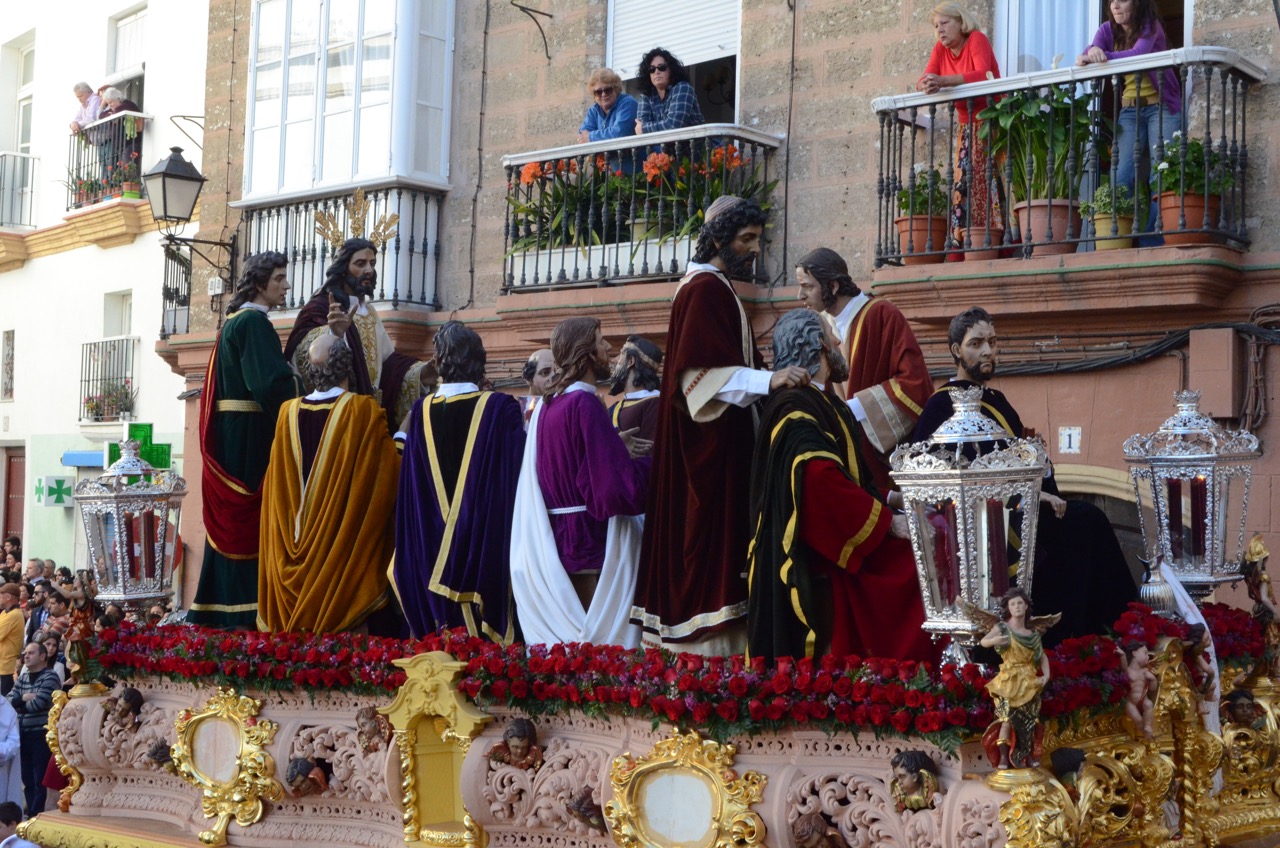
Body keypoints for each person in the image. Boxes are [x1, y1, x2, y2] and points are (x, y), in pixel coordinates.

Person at [632, 196, 811, 655]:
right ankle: (712, 658)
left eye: (757, 239)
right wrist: (769, 379)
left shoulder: (714, 286)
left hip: (720, 445)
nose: (754, 249)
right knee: (710, 550)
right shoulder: (704, 289)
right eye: (745, 239)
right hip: (708, 455)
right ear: (717, 239)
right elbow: (699, 379)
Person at [913, 307, 1138, 644]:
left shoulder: (997, 400)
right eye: (976, 343)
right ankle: (1077, 635)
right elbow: (938, 473)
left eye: (992, 341)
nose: (988, 351)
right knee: (1084, 522)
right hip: (984, 523)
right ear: (956, 350)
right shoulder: (941, 406)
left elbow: (1021, 457)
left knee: (1088, 522)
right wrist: (1030, 496)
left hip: (1021, 511)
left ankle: (1113, 631)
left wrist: (1041, 485)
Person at [746, 309, 934, 663]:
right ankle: (902, 678)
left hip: (844, 531)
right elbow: (817, 481)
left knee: (929, 542)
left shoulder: (827, 403)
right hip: (819, 548)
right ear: (818, 345)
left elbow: (851, 479)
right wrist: (888, 522)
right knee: (918, 562)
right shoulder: (793, 406)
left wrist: (895, 499)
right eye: (833, 337)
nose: (837, 343)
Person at [511, 318, 650, 648]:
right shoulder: (584, 403)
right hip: (591, 541)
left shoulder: (550, 405)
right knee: (599, 653)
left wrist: (614, 447)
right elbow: (611, 489)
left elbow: (569, 462)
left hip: (557, 540)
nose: (608, 349)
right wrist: (654, 468)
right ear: (586, 353)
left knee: (573, 654)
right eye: (601, 342)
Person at [188, 252, 302, 629]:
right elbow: (269, 383)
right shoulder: (253, 323)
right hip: (251, 434)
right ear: (259, 283)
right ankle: (250, 607)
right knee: (254, 517)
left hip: (235, 431)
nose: (286, 285)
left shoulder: (234, 323)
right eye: (280, 278)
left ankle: (219, 605)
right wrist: (305, 395)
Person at [257, 337, 400, 633]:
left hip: (286, 553)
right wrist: (404, 439)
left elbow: (274, 490)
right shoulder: (361, 411)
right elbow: (386, 478)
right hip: (337, 566)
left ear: (310, 370)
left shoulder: (286, 414)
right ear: (347, 366)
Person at [394, 321, 524, 642]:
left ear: (439, 363)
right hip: (483, 547)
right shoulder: (498, 408)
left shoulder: (421, 411)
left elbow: (412, 493)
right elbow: (516, 476)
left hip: (430, 549)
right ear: (480, 360)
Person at [795, 247, 931, 493]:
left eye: (808, 287)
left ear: (833, 287)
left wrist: (853, 410)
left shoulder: (882, 314)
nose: (800, 296)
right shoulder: (821, 326)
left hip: (879, 455)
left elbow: (915, 384)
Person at [283, 238, 434, 435]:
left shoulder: (369, 312)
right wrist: (333, 333)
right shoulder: (321, 308)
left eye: (372, 263)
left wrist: (422, 371)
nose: (369, 270)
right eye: (360, 264)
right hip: (335, 415)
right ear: (343, 268)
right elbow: (302, 354)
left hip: (368, 414)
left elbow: (389, 364)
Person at [1077, 0, 1181, 212]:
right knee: (1121, 173)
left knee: (1160, 173)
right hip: (1129, 110)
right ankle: (1120, 234)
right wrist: (1091, 50)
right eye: (1112, 1)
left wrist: (1100, 57)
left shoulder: (1150, 25)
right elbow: (1091, 50)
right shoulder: (1107, 29)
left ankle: (1153, 237)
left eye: (1122, 0)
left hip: (1161, 108)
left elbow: (1137, 54)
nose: (1115, 6)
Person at [916, 4, 1003, 245]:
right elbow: (923, 79)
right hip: (968, 125)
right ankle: (964, 241)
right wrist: (927, 84)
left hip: (992, 120)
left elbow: (984, 74)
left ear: (961, 21)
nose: (940, 30)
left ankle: (996, 240)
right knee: (965, 182)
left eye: (945, 23)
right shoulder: (941, 50)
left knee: (990, 181)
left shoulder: (976, 39)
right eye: (936, 26)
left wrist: (943, 81)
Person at [979, 587, 1050, 769]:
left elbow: (1041, 656)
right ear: (1008, 608)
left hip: (1028, 681)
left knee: (1029, 721)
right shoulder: (1002, 627)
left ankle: (1029, 756)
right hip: (1008, 681)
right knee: (1006, 719)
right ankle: (1003, 758)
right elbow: (984, 641)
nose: (1017, 606)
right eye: (1013, 604)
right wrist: (995, 641)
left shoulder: (1032, 634)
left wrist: (1047, 675)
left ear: (1026, 607)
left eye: (1020, 603)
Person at [8, 642, 58, 817]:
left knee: (39, 778)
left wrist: (19, 702)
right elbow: (8, 702)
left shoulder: (50, 677)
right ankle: (30, 812)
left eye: (31, 653)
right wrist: (23, 698)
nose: (26, 656)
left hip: (41, 734)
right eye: (25, 653)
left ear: (43, 656)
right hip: (23, 733)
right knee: (27, 779)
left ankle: (38, 814)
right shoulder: (23, 677)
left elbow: (39, 703)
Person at [606, 336, 663, 443]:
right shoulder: (614, 408)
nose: (614, 360)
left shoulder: (657, 404)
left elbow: (651, 451)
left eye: (621, 354)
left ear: (630, 361)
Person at [635, 48, 705, 135]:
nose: (656, 72)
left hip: (694, 147)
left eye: (661, 67)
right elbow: (641, 130)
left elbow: (673, 126)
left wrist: (644, 128)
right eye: (651, 69)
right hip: (662, 148)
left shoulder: (683, 88)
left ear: (671, 69)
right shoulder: (646, 94)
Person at [578, 68, 637, 143]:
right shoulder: (593, 111)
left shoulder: (628, 103)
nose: (603, 94)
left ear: (616, 90)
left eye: (608, 90)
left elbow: (619, 133)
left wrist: (591, 137)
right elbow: (582, 136)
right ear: (594, 95)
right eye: (598, 92)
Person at [521, 348, 555, 426]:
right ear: (529, 379)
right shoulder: (516, 412)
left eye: (557, 371)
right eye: (545, 372)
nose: (553, 377)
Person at [0, 589, 20, 697]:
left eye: (0, 596)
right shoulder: (4, 612)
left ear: (8, 597)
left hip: (7, 666)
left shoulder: (14, 614)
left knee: (4, 702)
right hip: (2, 664)